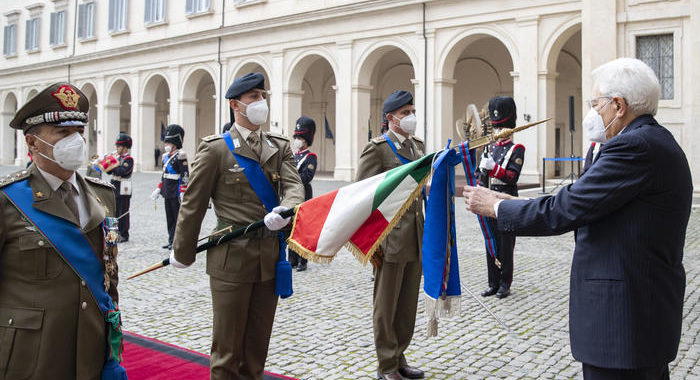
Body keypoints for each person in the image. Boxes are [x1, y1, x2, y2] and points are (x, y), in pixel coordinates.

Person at [463, 58, 692, 380]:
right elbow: (584, 198)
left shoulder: (634, 146)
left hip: (624, 321)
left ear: (619, 105)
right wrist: (514, 201)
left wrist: (497, 208)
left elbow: (566, 210)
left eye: (596, 103)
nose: (594, 112)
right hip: (637, 314)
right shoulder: (648, 141)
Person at [170, 72, 304, 380]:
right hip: (231, 259)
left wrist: (286, 207)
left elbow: (294, 185)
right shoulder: (216, 149)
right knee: (227, 352)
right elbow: (193, 202)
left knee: (257, 350)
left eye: (262, 95)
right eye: (253, 97)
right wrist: (183, 250)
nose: (261, 102)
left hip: (270, 260)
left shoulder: (279, 145)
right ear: (235, 105)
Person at [1, 82, 123, 379]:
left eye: (79, 132)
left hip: (91, 348)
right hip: (31, 355)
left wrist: (112, 346)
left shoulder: (101, 194)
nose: (76, 141)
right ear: (32, 143)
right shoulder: (7, 201)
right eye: (63, 133)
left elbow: (108, 277)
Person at [356, 90, 425, 380]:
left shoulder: (417, 147)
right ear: (391, 118)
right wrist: (373, 243)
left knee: (407, 304)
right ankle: (385, 365)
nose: (411, 117)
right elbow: (362, 196)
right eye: (405, 112)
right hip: (389, 237)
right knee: (386, 305)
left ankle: (399, 357)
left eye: (412, 111)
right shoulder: (378, 149)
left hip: (415, 234)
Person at [476, 96, 524, 299]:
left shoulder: (517, 148)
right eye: (496, 128)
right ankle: (492, 282)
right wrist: (481, 170)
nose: (498, 132)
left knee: (505, 243)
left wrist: (493, 168)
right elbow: (481, 177)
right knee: (491, 241)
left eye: (501, 127)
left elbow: (512, 177)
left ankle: (505, 282)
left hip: (506, 199)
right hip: (489, 198)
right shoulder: (491, 148)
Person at [151, 124, 189, 250]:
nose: (166, 145)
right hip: (167, 190)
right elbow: (164, 175)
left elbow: (184, 175)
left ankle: (177, 241)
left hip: (176, 190)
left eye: (168, 142)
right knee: (170, 217)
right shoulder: (165, 157)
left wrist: (183, 191)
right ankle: (171, 239)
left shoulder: (181, 155)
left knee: (177, 217)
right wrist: (158, 188)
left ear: (175, 144)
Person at [289, 116, 317, 272]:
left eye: (300, 137)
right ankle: (292, 258)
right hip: (293, 194)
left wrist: (291, 179)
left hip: (304, 194)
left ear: (306, 140)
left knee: (302, 228)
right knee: (291, 226)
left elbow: (307, 176)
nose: (297, 140)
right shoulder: (294, 156)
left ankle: (302, 260)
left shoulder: (310, 157)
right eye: (297, 137)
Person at [101, 132, 134, 242]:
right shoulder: (118, 158)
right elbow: (110, 172)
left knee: (123, 212)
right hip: (114, 185)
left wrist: (112, 163)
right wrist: (105, 163)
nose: (117, 148)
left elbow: (122, 171)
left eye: (119, 146)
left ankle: (124, 234)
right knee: (114, 211)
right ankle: (114, 232)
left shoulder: (129, 159)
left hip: (124, 187)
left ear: (125, 147)